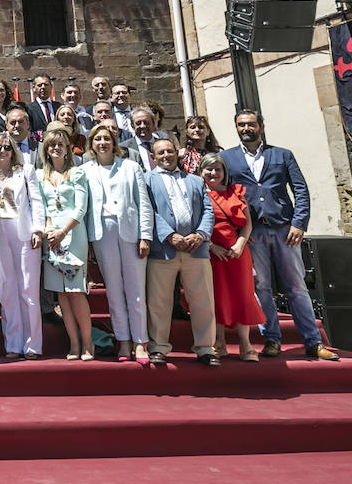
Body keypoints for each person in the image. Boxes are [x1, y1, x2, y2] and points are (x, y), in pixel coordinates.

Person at [220, 110, 338, 360]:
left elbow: (300, 190)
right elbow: (224, 195)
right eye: (241, 125)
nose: (245, 128)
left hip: (285, 230)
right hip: (254, 232)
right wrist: (238, 231)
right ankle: (271, 339)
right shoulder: (227, 158)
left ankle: (313, 342)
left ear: (261, 126)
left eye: (250, 124)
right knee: (261, 287)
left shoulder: (282, 154)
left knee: (296, 286)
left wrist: (299, 223)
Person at [83, 124, 154, 364]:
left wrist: (145, 235)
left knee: (136, 291)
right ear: (91, 144)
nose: (102, 143)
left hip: (131, 232)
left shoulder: (131, 167)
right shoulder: (85, 171)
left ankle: (140, 342)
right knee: (113, 291)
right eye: (97, 139)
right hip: (103, 233)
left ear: (114, 142)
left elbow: (143, 203)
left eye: (107, 138)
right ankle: (123, 340)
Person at [145, 139, 219, 367]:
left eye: (169, 151)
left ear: (177, 153)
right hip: (163, 250)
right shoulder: (147, 180)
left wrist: (200, 234)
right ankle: (158, 346)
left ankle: (206, 347)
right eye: (160, 152)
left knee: (202, 300)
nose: (166, 155)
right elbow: (148, 210)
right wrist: (169, 235)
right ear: (153, 156)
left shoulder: (195, 180)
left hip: (195, 249)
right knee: (159, 301)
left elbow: (208, 209)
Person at [200, 153, 264, 362]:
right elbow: (191, 224)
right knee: (218, 296)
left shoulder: (235, 192)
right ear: (201, 171)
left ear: (224, 172)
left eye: (217, 169)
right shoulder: (197, 193)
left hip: (237, 253)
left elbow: (247, 224)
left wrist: (240, 243)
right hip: (212, 254)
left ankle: (246, 344)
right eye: (209, 169)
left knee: (243, 295)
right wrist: (211, 246)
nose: (213, 173)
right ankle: (219, 342)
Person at [0, 133, 43, 359]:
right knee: (7, 289)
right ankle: (13, 344)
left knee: (28, 288)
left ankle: (32, 345)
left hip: (24, 232)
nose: (2, 151)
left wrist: (38, 230)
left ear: (13, 150)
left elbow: (36, 201)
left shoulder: (25, 171)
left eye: (7, 147)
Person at [38, 129, 94, 360]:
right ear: (46, 150)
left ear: (67, 148)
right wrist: (50, 231)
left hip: (73, 235)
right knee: (61, 294)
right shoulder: (41, 175)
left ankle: (88, 343)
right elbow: (44, 208)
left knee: (76, 291)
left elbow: (80, 208)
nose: (56, 148)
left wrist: (62, 232)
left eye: (60, 144)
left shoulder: (77, 172)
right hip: (51, 239)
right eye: (52, 145)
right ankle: (73, 343)